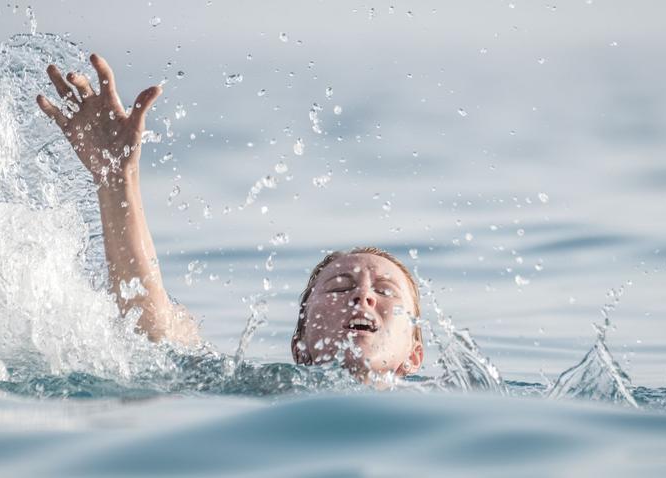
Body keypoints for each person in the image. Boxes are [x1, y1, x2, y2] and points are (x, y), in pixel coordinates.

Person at [36, 54, 424, 383]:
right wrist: (117, 180)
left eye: (386, 291)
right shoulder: (265, 390)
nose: (363, 295)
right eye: (339, 288)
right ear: (300, 346)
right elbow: (154, 336)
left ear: (414, 355)